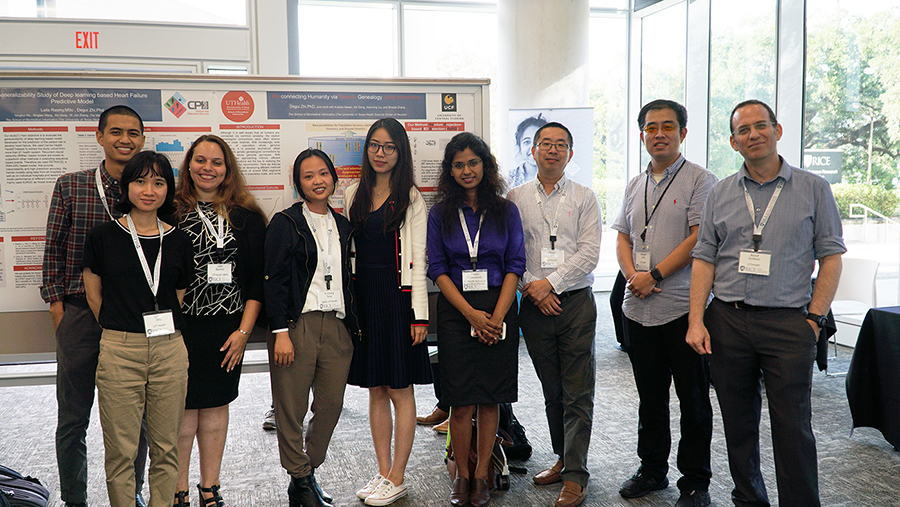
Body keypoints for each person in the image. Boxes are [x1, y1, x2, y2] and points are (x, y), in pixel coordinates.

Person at [687, 99, 846, 507]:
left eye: (761, 126)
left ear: (778, 130)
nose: (753, 135)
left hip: (789, 324)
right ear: (733, 142)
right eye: (744, 130)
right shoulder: (720, 192)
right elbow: (704, 257)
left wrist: (814, 319)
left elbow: (830, 256)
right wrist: (696, 320)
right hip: (728, 321)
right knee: (738, 426)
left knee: (793, 428)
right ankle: (749, 500)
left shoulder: (814, 188)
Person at [41, 104, 150, 507]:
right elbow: (52, 248)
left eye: (133, 133)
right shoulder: (72, 186)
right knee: (73, 418)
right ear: (100, 136)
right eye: (117, 132)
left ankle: (132, 493)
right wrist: (57, 307)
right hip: (80, 315)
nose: (125, 139)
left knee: (135, 417)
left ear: (143, 138)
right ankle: (75, 499)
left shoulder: (151, 190)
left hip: (131, 318)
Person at [612, 100, 716, 507]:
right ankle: (652, 469)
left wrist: (653, 275)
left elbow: (697, 240)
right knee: (650, 397)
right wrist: (632, 277)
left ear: (682, 133)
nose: (658, 134)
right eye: (651, 127)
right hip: (639, 310)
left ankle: (695, 481)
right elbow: (622, 235)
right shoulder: (635, 184)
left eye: (667, 127)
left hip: (682, 310)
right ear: (642, 135)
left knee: (693, 400)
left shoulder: (700, 180)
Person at [82, 151, 194, 507]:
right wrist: (124, 326)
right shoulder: (102, 237)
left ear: (168, 190)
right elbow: (94, 296)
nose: (149, 190)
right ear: (126, 186)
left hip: (169, 348)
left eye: (159, 183)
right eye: (141, 181)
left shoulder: (178, 239)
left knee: (165, 447)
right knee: (121, 450)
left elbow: (177, 293)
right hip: (120, 348)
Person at [427, 132, 525, 507]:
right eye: (458, 164)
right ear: (450, 171)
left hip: (499, 305)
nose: (467, 170)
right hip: (456, 309)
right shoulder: (440, 213)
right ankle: (462, 475)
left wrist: (496, 318)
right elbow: (437, 268)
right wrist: (471, 314)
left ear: (486, 166)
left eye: (473, 162)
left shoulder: (505, 210)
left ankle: (483, 473)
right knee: (461, 399)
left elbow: (516, 264)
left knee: (490, 398)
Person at [507, 122, 600, 507]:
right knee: (552, 390)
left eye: (561, 145)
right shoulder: (515, 197)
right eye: (546, 143)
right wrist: (534, 287)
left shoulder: (584, 196)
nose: (552, 150)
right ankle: (564, 459)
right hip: (534, 305)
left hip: (575, 303)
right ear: (533, 151)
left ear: (570, 154)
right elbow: (512, 252)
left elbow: (590, 252)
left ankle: (576, 476)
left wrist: (552, 284)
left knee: (578, 390)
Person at [173, 135, 267, 507]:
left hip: (228, 328)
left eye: (216, 162)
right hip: (181, 328)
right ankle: (177, 489)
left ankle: (209, 487)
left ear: (227, 169)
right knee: (181, 411)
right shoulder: (170, 211)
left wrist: (244, 333)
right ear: (189, 165)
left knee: (215, 407)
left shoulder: (246, 217)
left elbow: (258, 280)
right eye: (201, 160)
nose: (208, 168)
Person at [264, 149, 360, 507]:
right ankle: (300, 480)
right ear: (298, 183)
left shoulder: (344, 224)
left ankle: (308, 469)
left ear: (334, 178)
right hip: (297, 326)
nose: (318, 181)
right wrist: (280, 332)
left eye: (323, 173)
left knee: (331, 405)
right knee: (290, 408)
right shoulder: (285, 223)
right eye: (308, 175)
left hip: (336, 326)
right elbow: (273, 281)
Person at [344, 118, 432, 506]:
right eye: (374, 146)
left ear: (401, 152)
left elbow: (419, 260)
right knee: (375, 388)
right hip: (364, 301)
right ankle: (382, 473)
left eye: (389, 147)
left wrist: (419, 316)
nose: (380, 153)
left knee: (400, 387)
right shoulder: (352, 193)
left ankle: (398, 475)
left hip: (398, 300)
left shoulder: (411, 197)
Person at [509, 114, 547, 188]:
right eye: (527, 142)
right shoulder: (509, 179)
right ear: (519, 147)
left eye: (539, 142)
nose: (533, 148)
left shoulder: (558, 176)